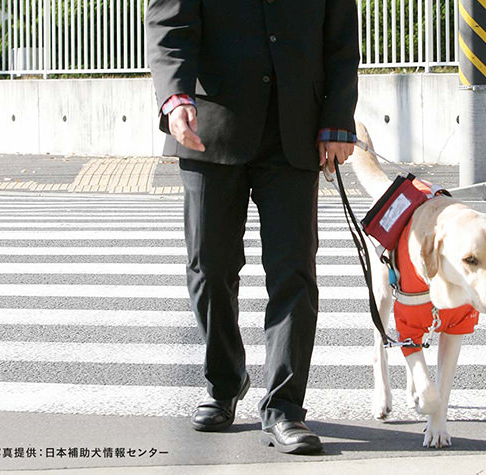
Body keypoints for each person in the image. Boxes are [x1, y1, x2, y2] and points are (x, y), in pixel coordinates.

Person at [145, 0, 359, 455]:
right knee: (209, 267)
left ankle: (284, 407)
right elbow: (170, 24)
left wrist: (338, 118)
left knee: (294, 273)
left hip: (296, 132)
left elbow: (341, 42)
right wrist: (174, 97)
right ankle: (225, 383)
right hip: (210, 127)